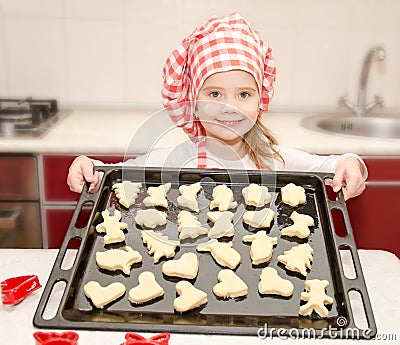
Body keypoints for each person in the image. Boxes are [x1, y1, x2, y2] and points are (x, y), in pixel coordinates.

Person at [67, 13, 366, 200]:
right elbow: (113, 173)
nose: (230, 108)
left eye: (244, 95)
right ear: (193, 103)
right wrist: (87, 166)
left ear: (260, 100)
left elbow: (332, 164)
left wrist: (352, 165)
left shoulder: (272, 159)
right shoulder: (175, 160)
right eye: (214, 94)